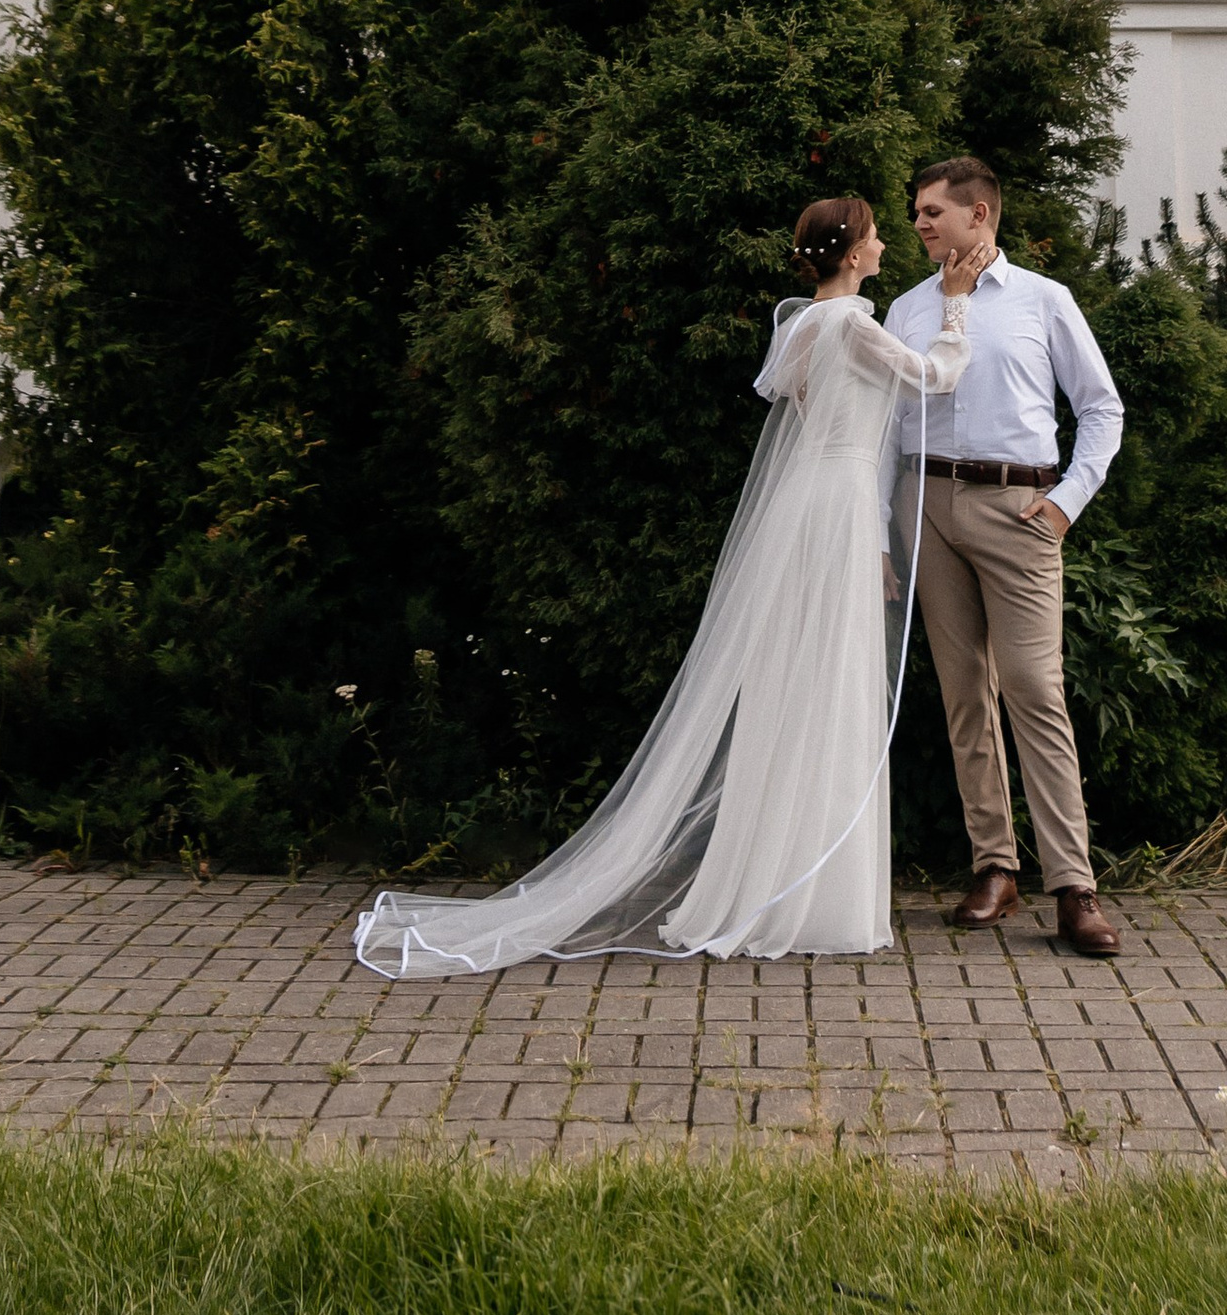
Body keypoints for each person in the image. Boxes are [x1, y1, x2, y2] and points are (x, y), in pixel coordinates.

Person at [354, 198, 977, 975]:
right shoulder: (849, 323)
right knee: (829, 679)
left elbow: (810, 403)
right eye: (877, 235)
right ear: (852, 254)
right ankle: (810, 896)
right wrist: (955, 306)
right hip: (839, 505)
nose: (885, 244)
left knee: (796, 683)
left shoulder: (800, 328)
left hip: (807, 502)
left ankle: (782, 879)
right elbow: (936, 377)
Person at [883, 155, 1127, 958]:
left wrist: (1066, 503)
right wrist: (886, 528)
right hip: (927, 504)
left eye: (932, 211)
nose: (919, 223)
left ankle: (1074, 887)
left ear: (978, 213)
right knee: (964, 695)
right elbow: (888, 424)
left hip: (1019, 508)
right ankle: (995, 866)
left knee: (1034, 688)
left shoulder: (1043, 300)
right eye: (917, 212)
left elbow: (1101, 409)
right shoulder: (907, 308)